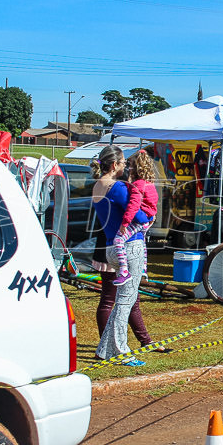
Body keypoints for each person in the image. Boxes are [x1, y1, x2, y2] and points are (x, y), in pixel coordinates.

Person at [91, 147, 156, 366]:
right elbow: (137, 213)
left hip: (111, 248)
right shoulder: (117, 187)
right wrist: (150, 216)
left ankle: (103, 350)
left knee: (120, 301)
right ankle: (121, 351)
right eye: (121, 163)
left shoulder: (97, 186)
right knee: (125, 303)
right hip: (130, 247)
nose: (125, 166)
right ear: (113, 165)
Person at [111, 154, 158, 285]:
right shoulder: (149, 184)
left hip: (139, 221)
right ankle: (143, 269)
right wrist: (153, 215)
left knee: (118, 239)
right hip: (148, 219)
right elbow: (154, 202)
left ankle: (124, 271)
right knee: (142, 242)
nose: (128, 167)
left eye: (130, 165)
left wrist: (125, 223)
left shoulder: (138, 185)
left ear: (135, 168)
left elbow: (133, 205)